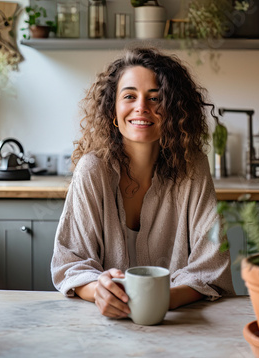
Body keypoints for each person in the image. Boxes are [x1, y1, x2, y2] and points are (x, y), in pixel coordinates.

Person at [51, 47, 234, 319]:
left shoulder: (193, 167)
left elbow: (211, 266)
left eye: (155, 98)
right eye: (129, 96)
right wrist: (98, 291)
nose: (141, 107)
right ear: (113, 109)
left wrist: (160, 300)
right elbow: (71, 263)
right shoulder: (92, 170)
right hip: (102, 327)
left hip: (179, 325)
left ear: (172, 109)